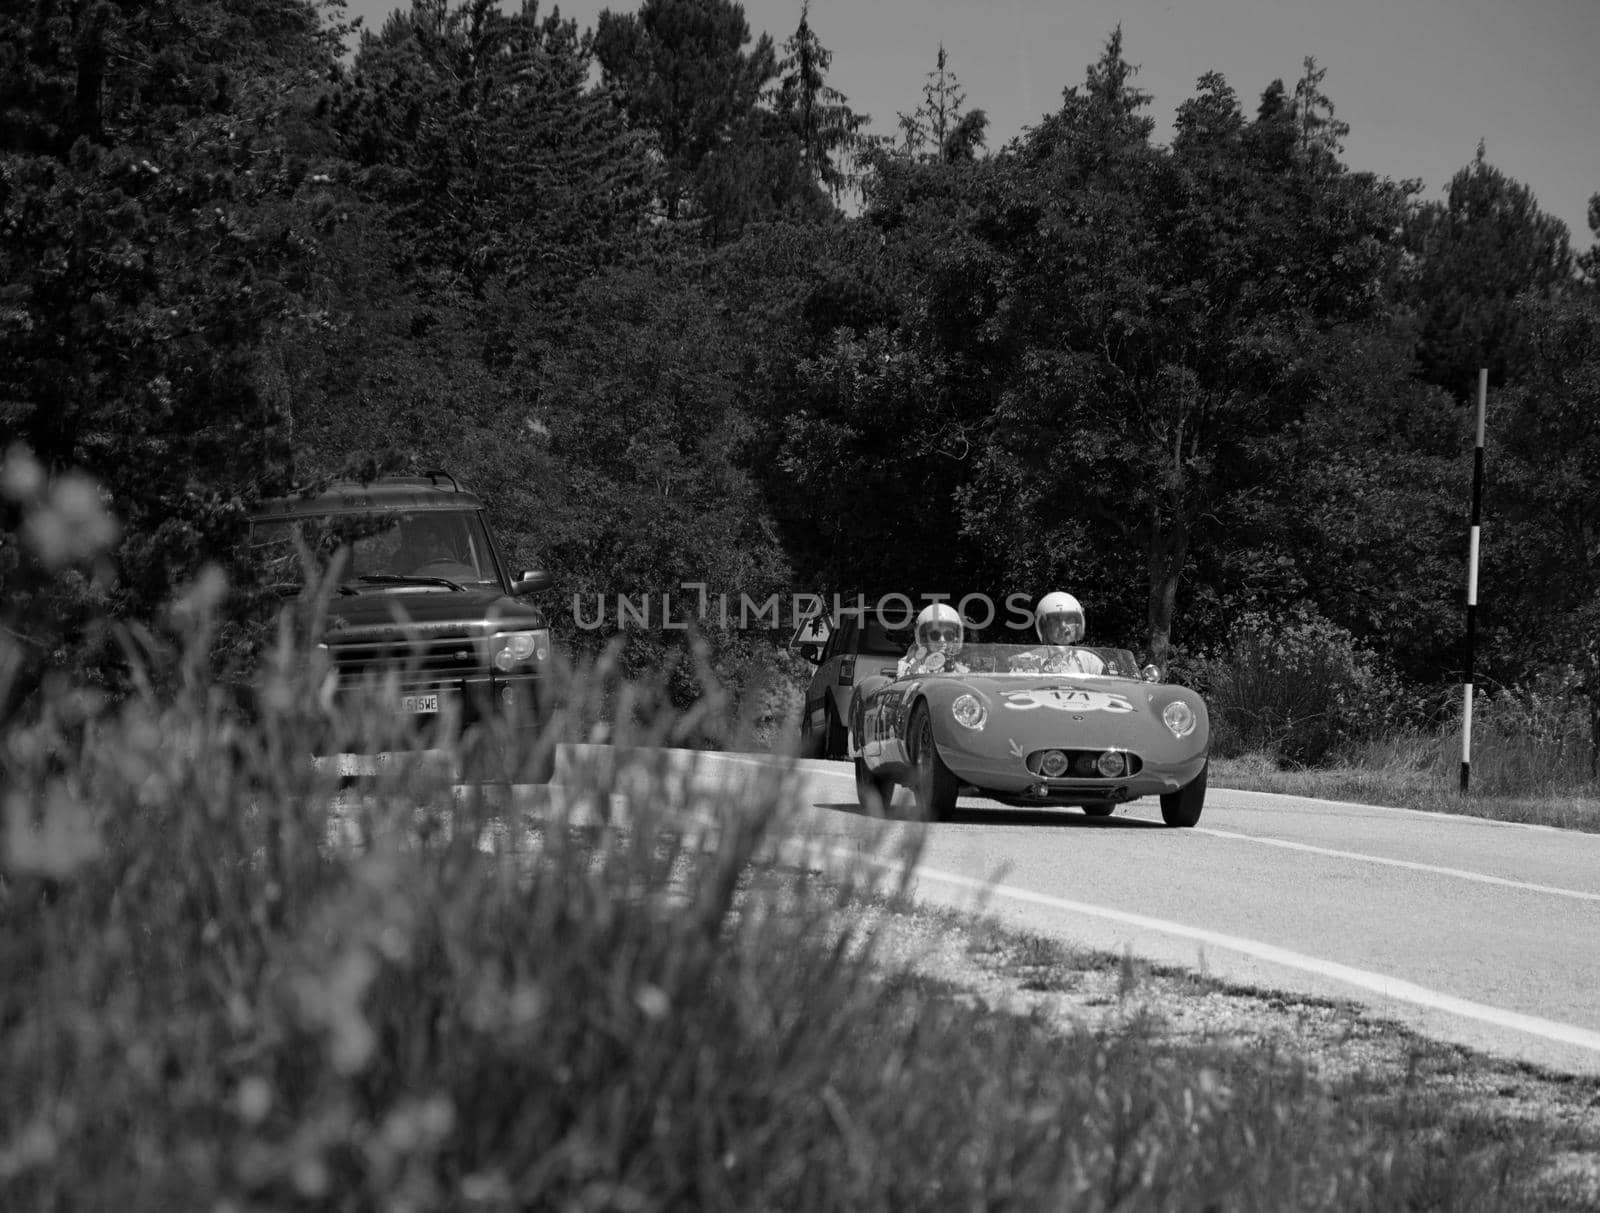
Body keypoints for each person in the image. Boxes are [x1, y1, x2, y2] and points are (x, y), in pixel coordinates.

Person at [1010, 591, 1106, 675]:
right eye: (1055, 620)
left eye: (1069, 618)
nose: (1063, 625)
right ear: (1044, 626)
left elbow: (1107, 692)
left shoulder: (1090, 660)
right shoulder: (1025, 660)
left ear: (1078, 623)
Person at [898, 603, 969, 677]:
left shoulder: (962, 670)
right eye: (935, 634)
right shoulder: (909, 664)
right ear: (924, 638)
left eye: (949, 635)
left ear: (955, 639)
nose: (942, 640)